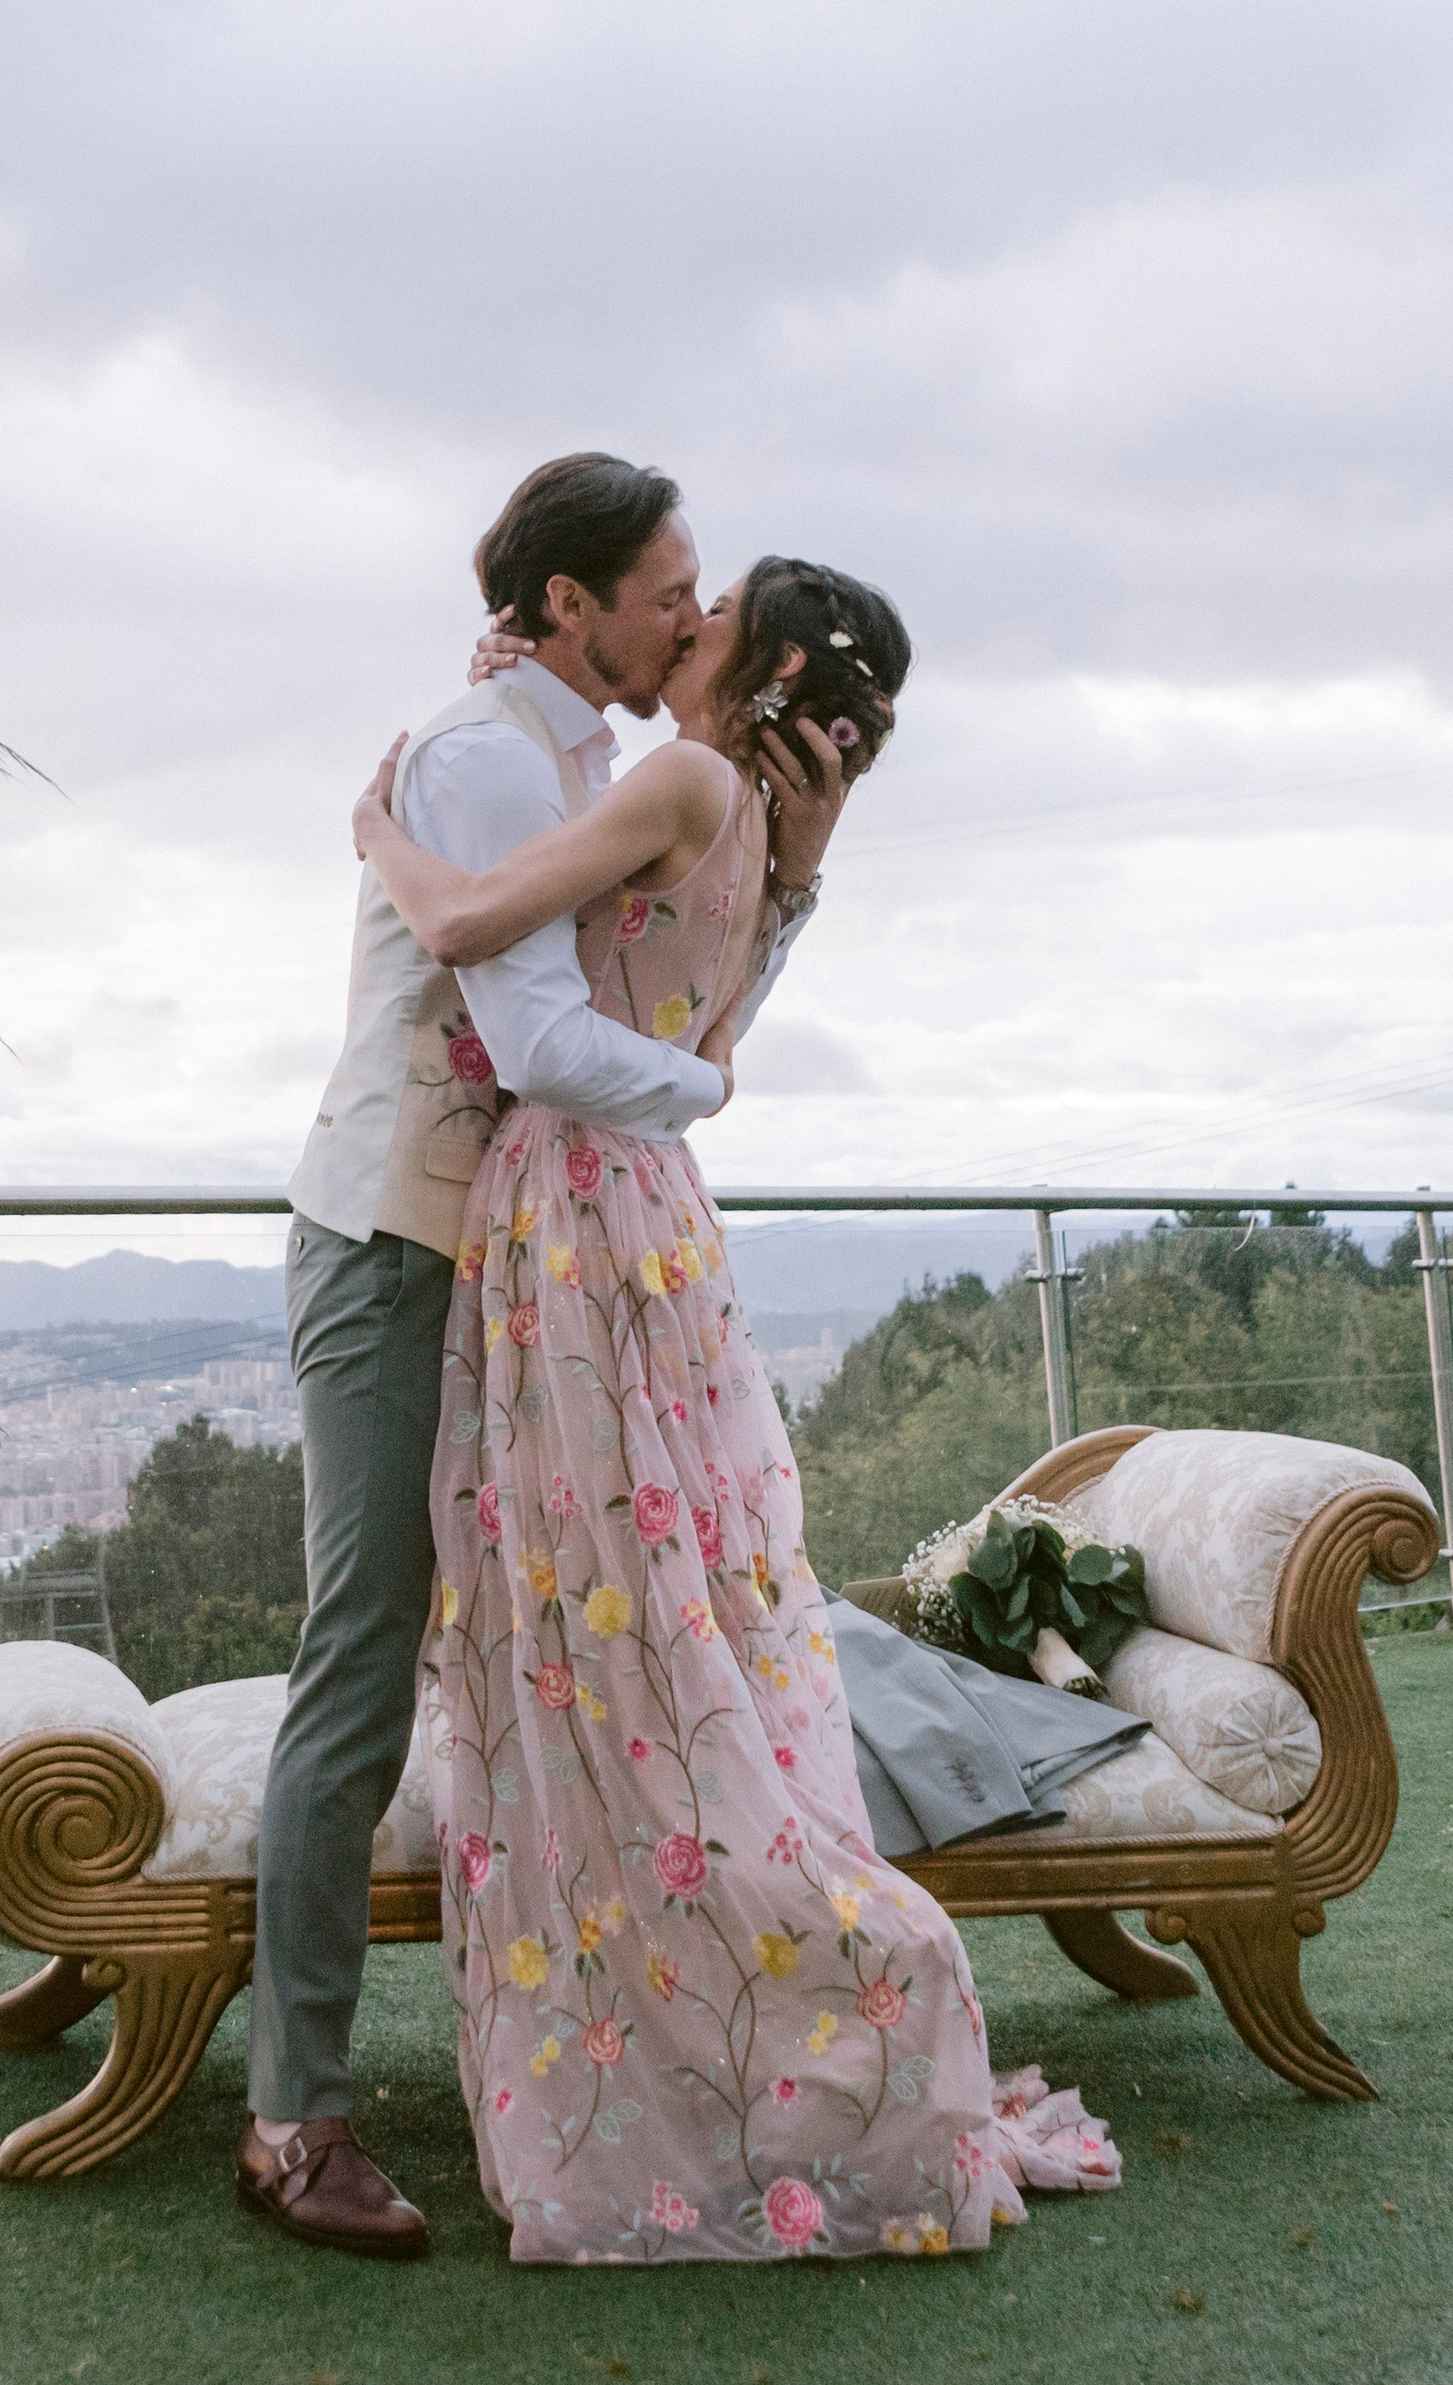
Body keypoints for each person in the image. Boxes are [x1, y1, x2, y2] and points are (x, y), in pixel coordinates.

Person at [350, 555, 1125, 2264]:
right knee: (664, 1579)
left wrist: (382, 830)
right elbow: (725, 1017)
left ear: (756, 660)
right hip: (663, 1215)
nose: (681, 626)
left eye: (709, 612)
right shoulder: (775, 828)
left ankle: (701, 1950)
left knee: (593, 1598)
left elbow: (477, 931)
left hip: (573, 1202)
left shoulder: (686, 778)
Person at [239, 456, 840, 2261]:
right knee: (367, 1648)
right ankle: (291, 2119)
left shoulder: (586, 747)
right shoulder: (500, 755)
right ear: (573, 605)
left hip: (523, 1264)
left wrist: (787, 886)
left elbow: (683, 948)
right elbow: (538, 1021)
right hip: (398, 1246)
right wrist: (712, 1094)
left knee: (560, 1641)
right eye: (665, 586)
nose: (690, 608)